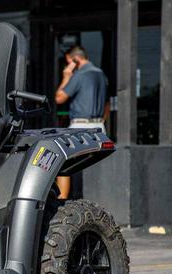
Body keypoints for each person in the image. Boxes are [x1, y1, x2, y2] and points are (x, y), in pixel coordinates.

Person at [54, 45, 109, 199]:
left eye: (68, 62)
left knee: (63, 162)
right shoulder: (101, 74)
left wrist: (66, 76)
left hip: (80, 126)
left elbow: (59, 98)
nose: (67, 66)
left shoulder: (79, 75)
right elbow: (107, 104)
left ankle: (61, 201)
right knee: (90, 168)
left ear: (75, 60)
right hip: (99, 126)